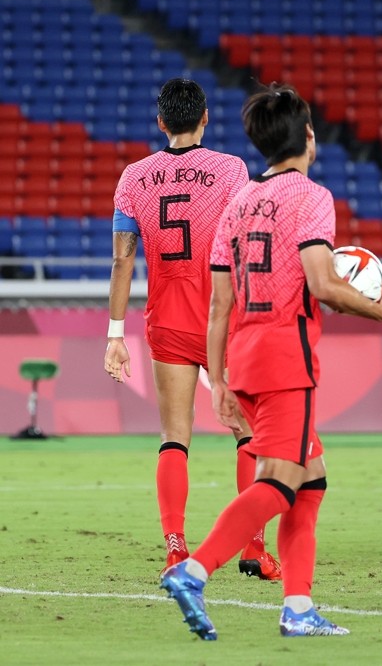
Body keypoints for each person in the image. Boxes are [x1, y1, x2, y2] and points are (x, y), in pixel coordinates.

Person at [159, 83, 382, 640]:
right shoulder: (311, 197)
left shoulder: (238, 202)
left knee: (310, 482)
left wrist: (217, 380)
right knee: (280, 483)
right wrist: (379, 308)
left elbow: (219, 306)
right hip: (289, 354)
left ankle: (299, 607)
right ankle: (193, 570)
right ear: (308, 137)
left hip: (244, 354)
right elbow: (324, 284)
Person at [103, 78, 281, 579]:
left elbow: (122, 260)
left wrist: (115, 333)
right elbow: (246, 244)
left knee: (173, 438)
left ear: (161, 122)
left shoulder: (133, 178)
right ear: (205, 119)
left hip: (167, 320)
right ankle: (253, 545)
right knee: (247, 433)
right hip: (221, 319)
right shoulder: (229, 170)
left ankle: (177, 548)